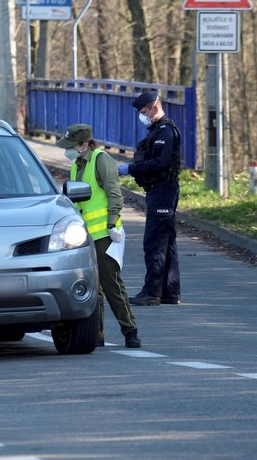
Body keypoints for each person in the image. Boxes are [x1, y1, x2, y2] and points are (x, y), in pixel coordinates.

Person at [57, 123, 141, 348]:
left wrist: (113, 222)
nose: (67, 150)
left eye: (71, 146)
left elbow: (114, 193)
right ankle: (97, 334)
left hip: (105, 234)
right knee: (93, 288)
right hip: (84, 238)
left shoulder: (100, 160)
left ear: (84, 145)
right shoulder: (77, 165)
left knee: (111, 284)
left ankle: (130, 331)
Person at [117, 91, 182, 306]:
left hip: (163, 190)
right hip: (160, 189)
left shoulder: (164, 131)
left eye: (144, 111)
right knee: (167, 241)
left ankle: (152, 292)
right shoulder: (157, 130)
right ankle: (170, 292)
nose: (142, 115)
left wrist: (131, 169)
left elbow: (160, 163)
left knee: (155, 241)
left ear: (154, 107)